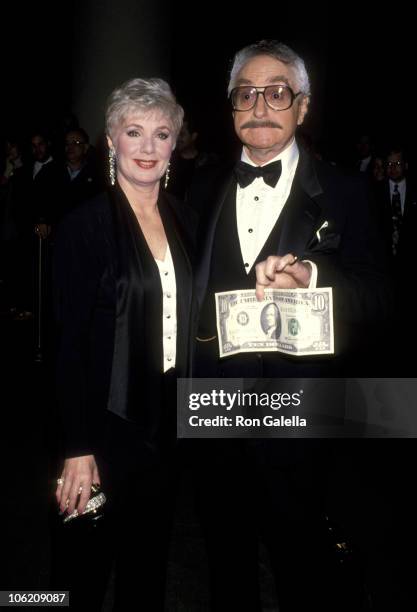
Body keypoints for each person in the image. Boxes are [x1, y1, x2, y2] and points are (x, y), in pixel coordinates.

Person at [193, 40, 391, 611]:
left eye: (276, 93)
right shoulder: (200, 189)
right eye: (245, 94)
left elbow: (384, 298)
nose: (259, 106)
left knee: (301, 566)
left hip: (304, 420)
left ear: (302, 108)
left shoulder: (349, 193)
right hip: (215, 413)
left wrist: (315, 275)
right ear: (231, 107)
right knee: (225, 563)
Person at [52, 78, 196, 610]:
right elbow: (67, 344)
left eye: (161, 134)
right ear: (111, 141)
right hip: (104, 421)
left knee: (148, 564)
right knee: (81, 574)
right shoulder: (83, 226)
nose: (148, 147)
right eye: (134, 132)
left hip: (165, 423)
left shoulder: (186, 218)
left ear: (173, 145)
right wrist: (76, 447)